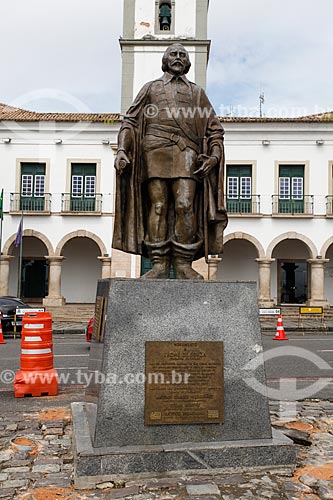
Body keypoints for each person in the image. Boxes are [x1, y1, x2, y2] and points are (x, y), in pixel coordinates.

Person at [113, 43, 228, 279]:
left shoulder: (197, 94)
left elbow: (215, 131)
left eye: (182, 55)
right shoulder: (151, 88)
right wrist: (123, 150)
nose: (178, 58)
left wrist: (214, 157)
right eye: (173, 54)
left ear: (187, 63)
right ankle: (159, 264)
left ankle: (183, 263)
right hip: (153, 151)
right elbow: (130, 122)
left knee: (184, 204)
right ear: (165, 61)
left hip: (187, 154)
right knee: (158, 206)